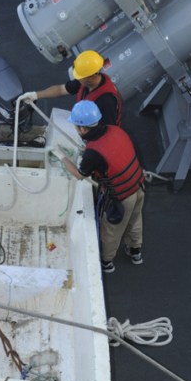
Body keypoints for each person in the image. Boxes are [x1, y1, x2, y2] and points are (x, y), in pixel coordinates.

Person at [54, 101, 145, 274]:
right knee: (135, 219)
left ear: (81, 128)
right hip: (139, 185)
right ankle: (135, 252)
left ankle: (107, 262)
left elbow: (80, 175)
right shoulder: (116, 130)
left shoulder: (92, 153)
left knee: (111, 230)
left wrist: (62, 157)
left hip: (121, 196)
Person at [22, 50, 122, 127]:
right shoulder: (85, 82)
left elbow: (106, 132)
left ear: (91, 77)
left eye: (79, 77)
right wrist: (35, 95)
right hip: (84, 127)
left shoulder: (107, 101)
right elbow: (60, 89)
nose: (76, 79)